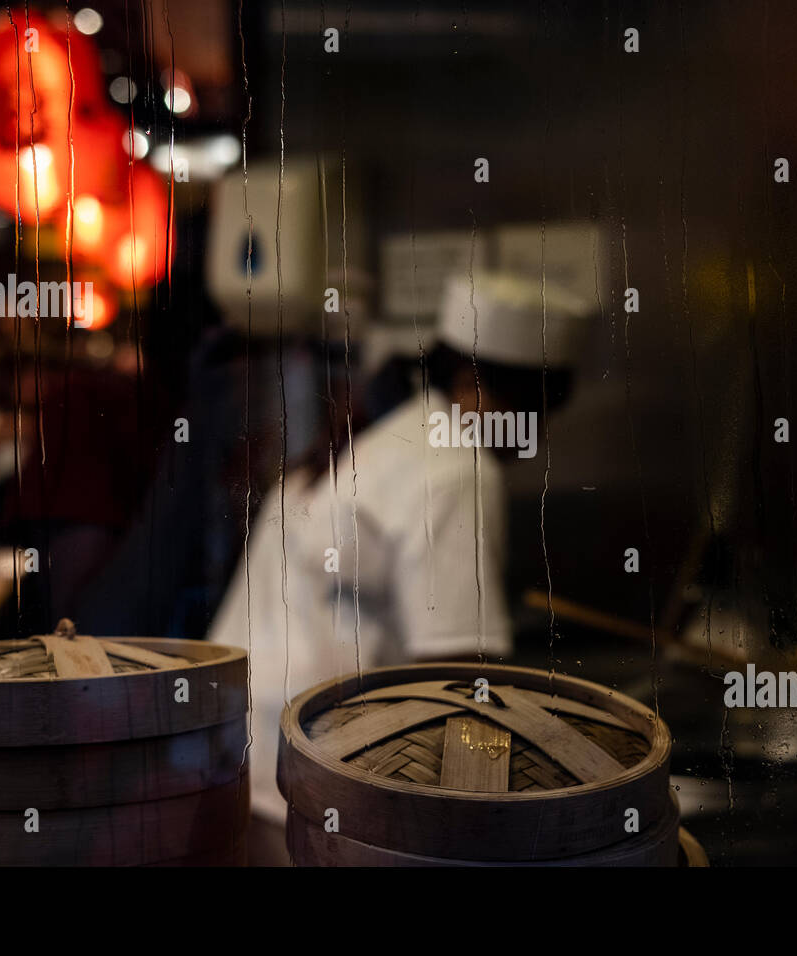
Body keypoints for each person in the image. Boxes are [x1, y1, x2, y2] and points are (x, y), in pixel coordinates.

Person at [208, 270, 592, 864]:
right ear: (471, 385)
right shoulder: (456, 468)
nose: (535, 437)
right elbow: (462, 679)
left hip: (243, 751)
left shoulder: (386, 436)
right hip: (315, 768)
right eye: (531, 409)